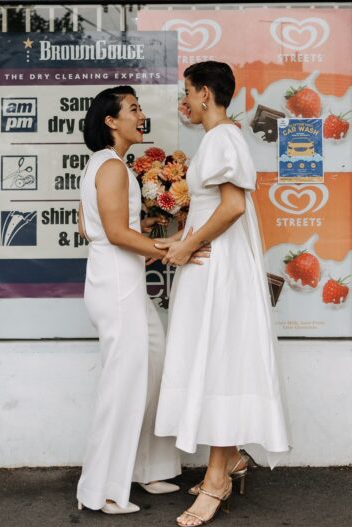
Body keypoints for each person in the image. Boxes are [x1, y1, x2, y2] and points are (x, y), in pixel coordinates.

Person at [154, 61, 290, 527]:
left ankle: (217, 478)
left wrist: (188, 244)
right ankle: (228, 460)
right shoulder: (219, 139)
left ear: (206, 94)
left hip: (219, 273)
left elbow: (232, 206)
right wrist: (177, 242)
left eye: (187, 93)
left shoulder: (223, 138)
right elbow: (215, 209)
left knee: (218, 360)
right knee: (214, 359)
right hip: (211, 268)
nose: (183, 102)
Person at [76, 85, 207, 515]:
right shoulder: (112, 167)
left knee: (152, 368)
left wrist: (145, 222)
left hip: (116, 278)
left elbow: (89, 227)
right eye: (133, 109)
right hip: (117, 284)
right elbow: (114, 233)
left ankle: (147, 468)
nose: (140, 115)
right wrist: (169, 246)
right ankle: (103, 490)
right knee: (125, 384)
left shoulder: (103, 164)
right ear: (111, 122)